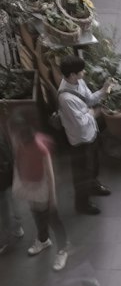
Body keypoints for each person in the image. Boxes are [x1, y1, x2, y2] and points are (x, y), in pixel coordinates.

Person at [55, 56, 111, 216]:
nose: (84, 72)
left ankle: (94, 186)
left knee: (93, 165)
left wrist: (103, 90)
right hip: (80, 140)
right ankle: (82, 204)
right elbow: (80, 121)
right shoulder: (65, 98)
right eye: (81, 71)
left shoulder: (78, 82)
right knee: (82, 174)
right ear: (72, 74)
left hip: (91, 133)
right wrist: (94, 112)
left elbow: (89, 98)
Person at [14, 113, 67, 266]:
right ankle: (43, 240)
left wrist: (53, 198)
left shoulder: (40, 148)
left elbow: (50, 175)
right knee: (37, 215)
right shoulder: (21, 143)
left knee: (53, 218)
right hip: (31, 186)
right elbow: (19, 163)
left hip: (42, 184)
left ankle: (62, 250)